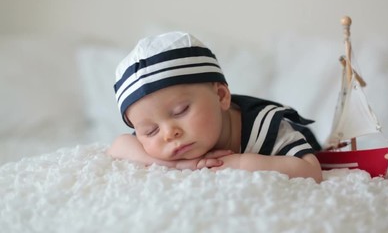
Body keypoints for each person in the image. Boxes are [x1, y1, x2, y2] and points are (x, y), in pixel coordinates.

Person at [108, 32, 323, 183]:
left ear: (220, 96)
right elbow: (118, 146)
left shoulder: (266, 125)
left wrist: (235, 162)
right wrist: (177, 166)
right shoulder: (159, 131)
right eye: (150, 130)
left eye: (181, 111)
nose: (168, 133)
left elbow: (310, 170)